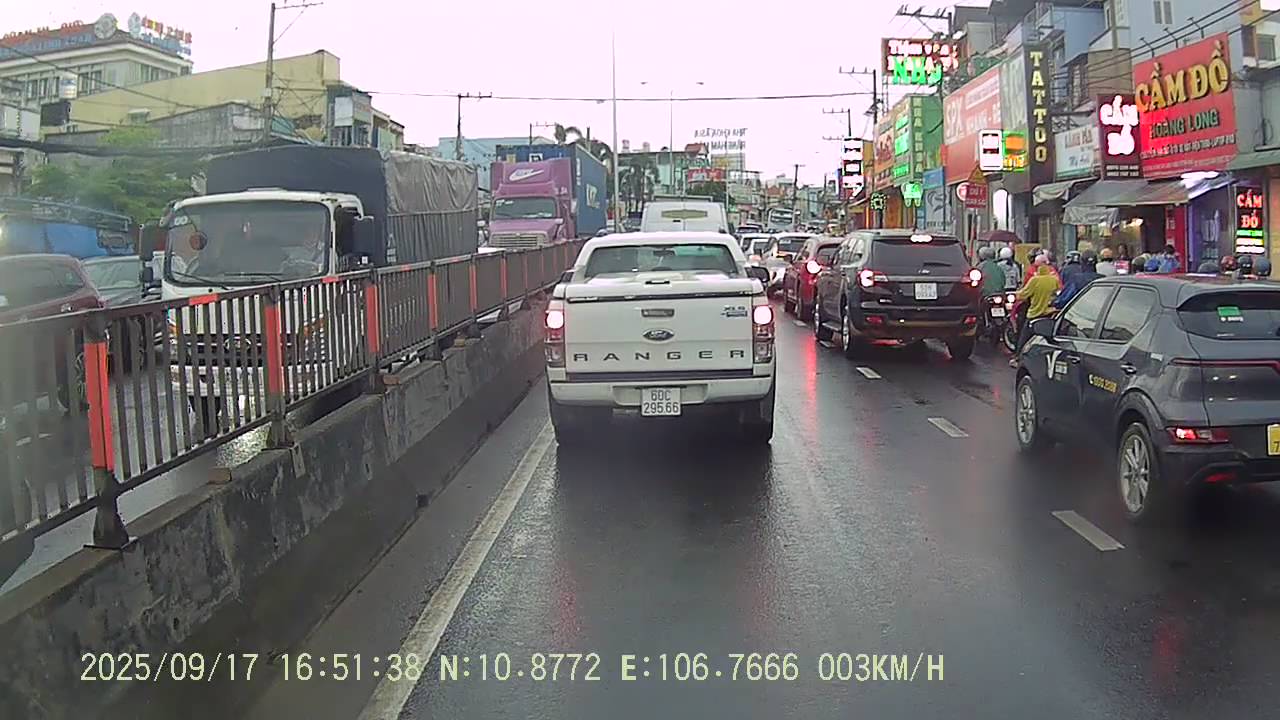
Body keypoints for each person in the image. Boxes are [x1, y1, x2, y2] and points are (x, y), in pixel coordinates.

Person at [1010, 255, 1063, 367]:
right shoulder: (1054, 279)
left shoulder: (1035, 280)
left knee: (1024, 338)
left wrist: (1015, 294)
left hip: (1035, 314)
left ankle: (1018, 359)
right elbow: (1059, 293)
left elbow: (1023, 294)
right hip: (1050, 313)